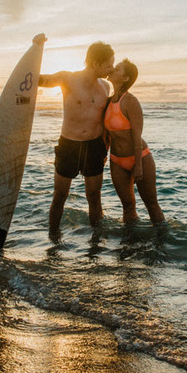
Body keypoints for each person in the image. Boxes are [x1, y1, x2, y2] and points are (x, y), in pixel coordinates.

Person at [36, 34, 115, 235]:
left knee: (94, 196)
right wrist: (36, 48)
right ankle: (53, 238)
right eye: (108, 65)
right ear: (95, 63)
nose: (112, 69)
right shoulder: (67, 79)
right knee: (60, 195)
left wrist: (106, 143)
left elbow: (106, 119)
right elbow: (38, 80)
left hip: (94, 147)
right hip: (69, 145)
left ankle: (96, 242)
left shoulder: (105, 87)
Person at [105, 59, 165, 226]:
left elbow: (137, 135)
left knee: (151, 204)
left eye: (117, 69)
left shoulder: (130, 101)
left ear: (125, 78)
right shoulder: (108, 102)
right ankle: (131, 241)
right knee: (127, 206)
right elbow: (107, 135)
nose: (112, 70)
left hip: (140, 158)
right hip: (117, 160)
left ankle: (162, 243)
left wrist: (138, 165)